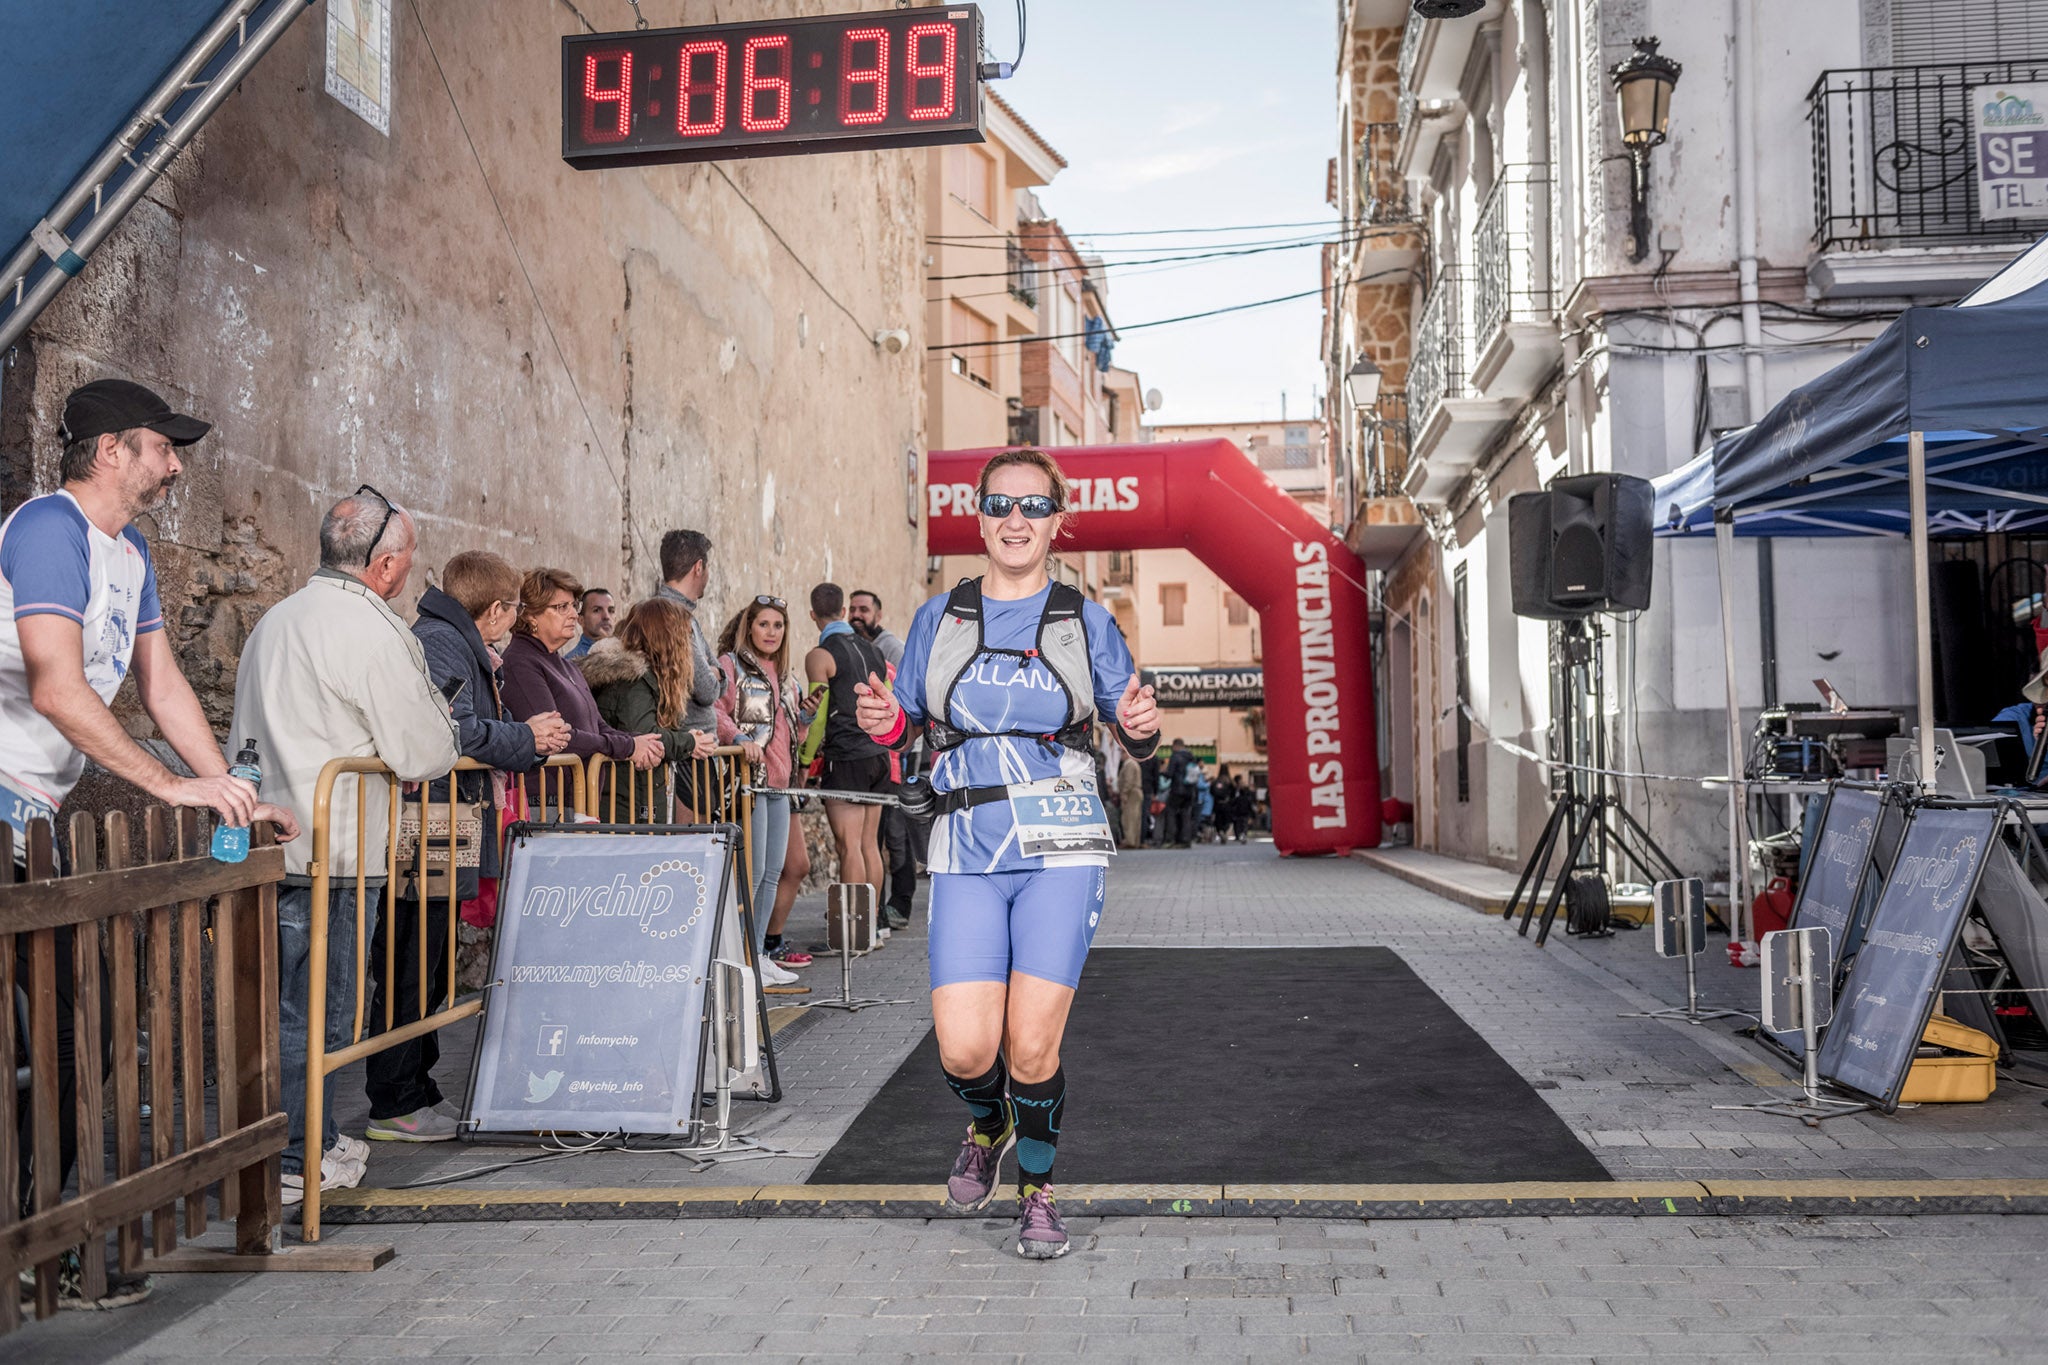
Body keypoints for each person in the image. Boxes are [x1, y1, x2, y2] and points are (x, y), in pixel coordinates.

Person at [3, 379, 297, 1306]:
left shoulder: (129, 555)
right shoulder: (47, 529)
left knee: (65, 1038)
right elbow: (54, 686)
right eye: (161, 447)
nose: (176, 465)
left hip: (33, 825)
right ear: (108, 452)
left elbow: (163, 687)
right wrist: (170, 784)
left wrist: (232, 796)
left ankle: (40, 1240)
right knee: (43, 1037)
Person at [853, 448, 1160, 1260]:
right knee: (963, 1047)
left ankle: (1038, 1193)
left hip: (1061, 847)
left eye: (1032, 506)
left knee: (1030, 1045)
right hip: (966, 847)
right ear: (979, 518)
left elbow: (1134, 726)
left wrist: (1140, 722)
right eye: (998, 504)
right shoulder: (938, 617)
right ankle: (986, 1124)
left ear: (1059, 522)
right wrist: (883, 716)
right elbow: (903, 724)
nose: (1014, 519)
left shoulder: (1083, 619)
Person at [232, 486, 461, 1205]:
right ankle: (302, 1157)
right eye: (408, 559)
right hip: (336, 851)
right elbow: (423, 750)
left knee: (280, 1009)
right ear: (386, 564)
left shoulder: (276, 618)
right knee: (324, 1014)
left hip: (271, 843)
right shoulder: (370, 627)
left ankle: (296, 1146)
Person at [365, 551, 571, 1143]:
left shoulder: (448, 638)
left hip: (441, 820)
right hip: (427, 821)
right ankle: (395, 1099)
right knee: (412, 962)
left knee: (427, 963)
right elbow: (448, 731)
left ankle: (416, 1087)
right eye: (512, 610)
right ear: (497, 610)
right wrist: (525, 737)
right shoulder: (441, 643)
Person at [714, 595, 816, 985]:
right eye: (763, 624)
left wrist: (803, 718)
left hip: (779, 785)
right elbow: (717, 712)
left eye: (778, 625)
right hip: (747, 784)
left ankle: (756, 955)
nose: (771, 632)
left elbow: (789, 734)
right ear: (748, 627)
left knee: (773, 873)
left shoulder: (787, 676)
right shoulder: (730, 666)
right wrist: (739, 737)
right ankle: (740, 958)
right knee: (752, 874)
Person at [499, 568, 662, 799]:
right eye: (561, 607)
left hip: (579, 800)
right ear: (531, 615)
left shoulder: (567, 665)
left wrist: (640, 741)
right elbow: (559, 737)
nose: (574, 615)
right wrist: (628, 747)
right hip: (544, 804)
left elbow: (599, 727)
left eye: (573, 606)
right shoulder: (520, 662)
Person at [577, 596, 715, 820]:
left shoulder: (644, 677)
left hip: (635, 795)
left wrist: (686, 738)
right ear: (668, 638)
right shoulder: (633, 680)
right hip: (623, 801)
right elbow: (644, 734)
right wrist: (689, 742)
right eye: (684, 636)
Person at [805, 582, 891, 916]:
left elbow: (817, 716)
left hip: (846, 758)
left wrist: (804, 760)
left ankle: (851, 934)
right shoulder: (875, 651)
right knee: (871, 845)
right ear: (843, 612)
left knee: (849, 847)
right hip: (878, 755)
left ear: (813, 615)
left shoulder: (819, 655)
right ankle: (873, 926)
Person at [655, 530, 736, 818]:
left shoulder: (684, 617)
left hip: (695, 750)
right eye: (708, 567)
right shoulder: (673, 617)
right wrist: (714, 673)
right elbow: (708, 688)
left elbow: (719, 676)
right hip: (687, 752)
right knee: (690, 851)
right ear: (698, 567)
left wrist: (715, 673)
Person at [852, 589, 915, 926]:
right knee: (876, 835)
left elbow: (910, 700)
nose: (857, 614)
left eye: (864, 609)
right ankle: (876, 909)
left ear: (878, 613)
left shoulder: (891, 648)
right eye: (853, 609)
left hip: (903, 752)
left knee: (896, 831)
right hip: (877, 752)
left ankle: (900, 904)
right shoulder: (858, 646)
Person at [563, 586, 616, 660]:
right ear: (581, 620)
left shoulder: (624, 653)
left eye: (611, 611)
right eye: (597, 610)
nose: (606, 617)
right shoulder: (574, 662)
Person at [1164, 738, 1196, 848]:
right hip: (1189, 791)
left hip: (1177, 790)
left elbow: (1170, 774)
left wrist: (1162, 772)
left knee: (1171, 813)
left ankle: (1171, 839)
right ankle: (1186, 839)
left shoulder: (1175, 756)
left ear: (1176, 746)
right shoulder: (1191, 757)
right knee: (1186, 815)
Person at [1117, 746, 1143, 848]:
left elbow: (1128, 780)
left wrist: (1124, 793)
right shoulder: (1133, 763)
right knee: (1135, 818)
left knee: (1129, 818)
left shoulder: (1129, 764)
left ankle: (1130, 841)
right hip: (1135, 792)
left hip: (1131, 793)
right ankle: (1135, 841)